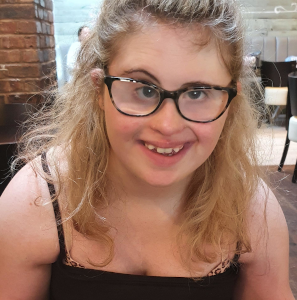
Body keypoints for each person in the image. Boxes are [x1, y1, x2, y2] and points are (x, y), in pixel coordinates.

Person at [0, 0, 294, 299]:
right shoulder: (37, 200)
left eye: (197, 92)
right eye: (144, 89)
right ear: (99, 90)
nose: (167, 125)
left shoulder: (250, 209)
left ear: (230, 102)